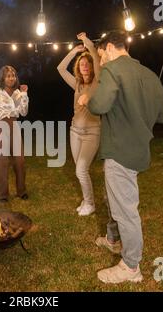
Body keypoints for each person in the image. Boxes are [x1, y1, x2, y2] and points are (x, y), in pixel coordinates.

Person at [87, 30, 163, 283]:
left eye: (101, 56)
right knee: (114, 198)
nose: (100, 63)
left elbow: (98, 106)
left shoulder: (113, 70)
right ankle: (113, 240)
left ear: (111, 48)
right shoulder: (150, 75)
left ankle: (131, 266)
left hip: (120, 151)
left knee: (125, 210)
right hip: (138, 151)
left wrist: (88, 97)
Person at [57, 32, 101, 216]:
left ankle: (90, 204)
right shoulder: (76, 83)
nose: (84, 66)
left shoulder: (97, 82)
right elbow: (60, 68)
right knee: (79, 171)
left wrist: (86, 42)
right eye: (81, 64)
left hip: (92, 132)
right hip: (74, 131)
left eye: (87, 64)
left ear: (91, 67)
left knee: (81, 169)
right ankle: (86, 199)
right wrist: (74, 51)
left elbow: (97, 60)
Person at [0, 66, 29, 203]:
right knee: (1, 161)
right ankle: (1, 194)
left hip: (14, 125)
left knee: (20, 160)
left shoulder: (18, 92)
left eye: (13, 75)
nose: (11, 78)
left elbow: (23, 112)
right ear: (3, 78)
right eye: (8, 76)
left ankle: (22, 191)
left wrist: (24, 95)